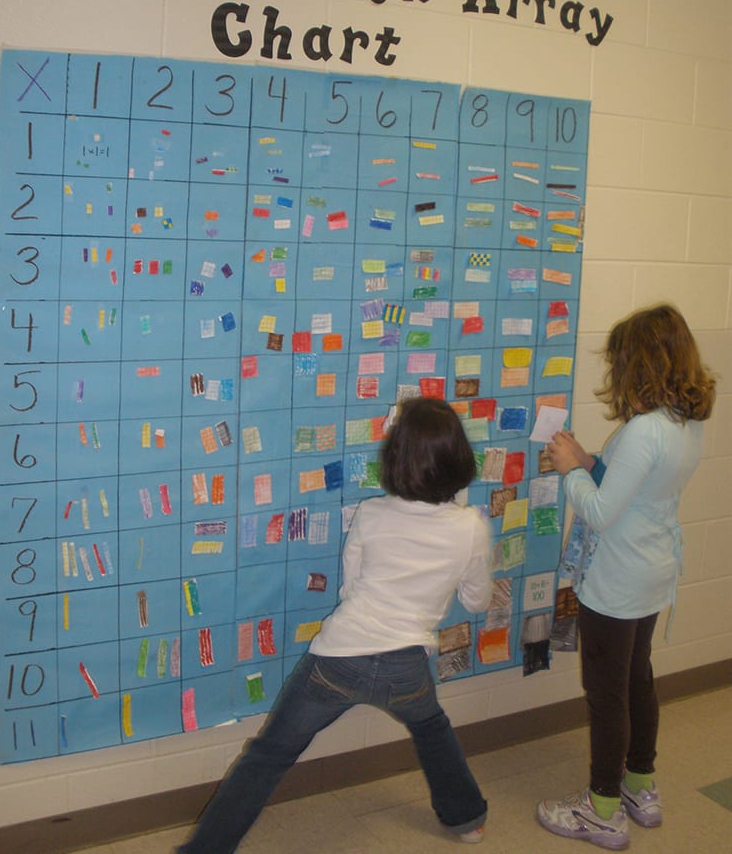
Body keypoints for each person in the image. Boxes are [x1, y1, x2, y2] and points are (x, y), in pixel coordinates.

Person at [175, 396, 493, 853]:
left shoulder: (372, 513)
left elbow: (350, 589)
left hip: (338, 660)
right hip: (407, 665)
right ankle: (468, 819)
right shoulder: (471, 528)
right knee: (431, 727)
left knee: (269, 753)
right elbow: (478, 601)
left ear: (397, 456)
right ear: (459, 456)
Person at [537, 304, 716, 850]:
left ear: (639, 365)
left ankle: (602, 808)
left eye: (619, 361)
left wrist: (570, 470)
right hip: (650, 569)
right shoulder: (681, 424)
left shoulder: (643, 430)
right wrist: (590, 461)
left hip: (616, 579)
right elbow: (631, 489)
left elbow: (599, 512)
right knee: (637, 679)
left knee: (606, 692)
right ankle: (641, 786)